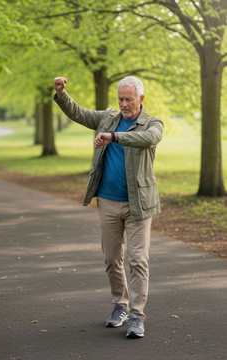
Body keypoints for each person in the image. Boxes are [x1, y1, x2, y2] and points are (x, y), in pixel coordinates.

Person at [53, 76, 163, 338]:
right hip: (108, 201)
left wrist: (114, 137)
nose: (124, 104)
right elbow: (79, 114)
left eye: (129, 99)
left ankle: (137, 315)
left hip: (139, 204)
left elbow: (147, 138)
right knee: (111, 259)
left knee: (137, 260)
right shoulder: (107, 118)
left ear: (141, 99)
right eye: (120, 99)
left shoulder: (153, 123)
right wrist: (61, 93)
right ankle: (120, 305)